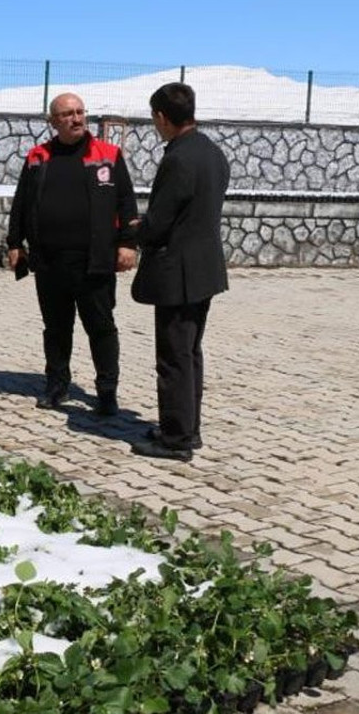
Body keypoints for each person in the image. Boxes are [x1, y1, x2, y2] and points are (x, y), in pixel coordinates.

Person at [6, 93, 138, 415]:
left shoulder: (108, 155)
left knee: (101, 329)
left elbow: (126, 202)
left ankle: (107, 391)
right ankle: (56, 386)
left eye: (80, 112)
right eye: (67, 114)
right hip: (50, 262)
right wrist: (14, 243)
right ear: (54, 121)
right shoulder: (38, 157)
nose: (76, 118)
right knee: (56, 329)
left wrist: (128, 244)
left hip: (95, 262)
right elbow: (21, 203)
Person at [129, 82, 230, 461]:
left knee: (173, 357)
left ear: (160, 117)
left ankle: (175, 439)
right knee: (189, 353)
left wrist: (137, 231)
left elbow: (161, 220)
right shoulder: (211, 152)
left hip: (177, 272)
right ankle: (188, 428)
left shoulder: (178, 158)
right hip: (203, 270)